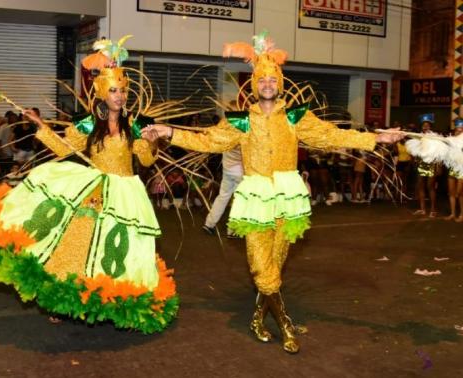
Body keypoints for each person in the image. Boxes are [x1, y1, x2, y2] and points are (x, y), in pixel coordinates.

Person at [143, 32, 404, 353]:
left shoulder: (295, 117)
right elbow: (207, 141)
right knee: (260, 265)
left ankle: (257, 317)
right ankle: (284, 324)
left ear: (279, 82)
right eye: (261, 79)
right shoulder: (240, 122)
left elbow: (329, 135)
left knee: (275, 264)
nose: (267, 83)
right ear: (253, 84)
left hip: (288, 198)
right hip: (254, 199)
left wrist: (377, 138)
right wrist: (169, 131)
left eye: (272, 78)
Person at [0, 36, 178, 333]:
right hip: (91, 192)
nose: (120, 96)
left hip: (123, 194)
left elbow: (145, 161)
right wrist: (41, 126)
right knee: (74, 247)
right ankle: (61, 301)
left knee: (114, 254)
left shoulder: (135, 124)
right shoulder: (87, 124)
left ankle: (103, 302)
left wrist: (152, 143)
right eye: (113, 90)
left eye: (123, 91)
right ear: (101, 92)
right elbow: (64, 148)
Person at [202, 145, 243, 237]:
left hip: (227, 171)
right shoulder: (243, 135)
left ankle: (209, 224)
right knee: (238, 201)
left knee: (222, 197)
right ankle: (232, 230)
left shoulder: (227, 135)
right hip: (240, 173)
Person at [413, 114, 438, 217]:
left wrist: (438, 166)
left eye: (427, 125)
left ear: (430, 126)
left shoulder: (435, 137)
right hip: (421, 164)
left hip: (431, 164)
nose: (425, 127)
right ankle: (422, 209)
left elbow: (438, 153)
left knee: (430, 187)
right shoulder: (419, 137)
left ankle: (433, 210)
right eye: (424, 125)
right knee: (421, 186)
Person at [445, 119, 463, 221]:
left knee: (460, 193)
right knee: (451, 192)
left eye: (461, 129)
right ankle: (452, 213)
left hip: (462, 169)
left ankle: (462, 214)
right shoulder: (451, 140)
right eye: (457, 129)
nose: (459, 131)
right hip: (452, 167)